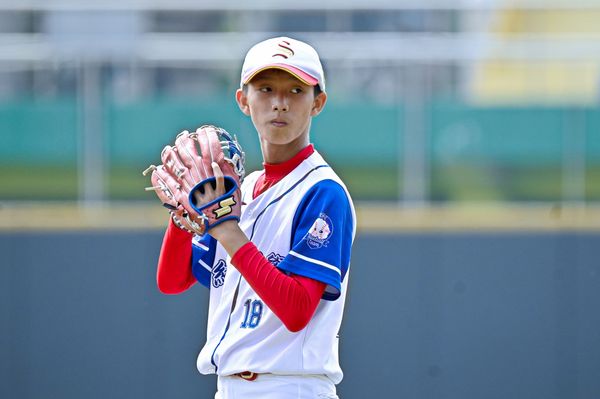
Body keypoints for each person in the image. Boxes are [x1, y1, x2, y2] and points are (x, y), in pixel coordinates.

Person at [155, 36, 356, 399]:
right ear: (243, 100)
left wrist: (229, 234)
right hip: (230, 388)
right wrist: (182, 216)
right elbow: (172, 280)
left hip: (291, 388)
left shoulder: (322, 191)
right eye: (265, 88)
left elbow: (296, 311)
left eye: (296, 90)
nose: (280, 103)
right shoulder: (244, 190)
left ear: (318, 103)